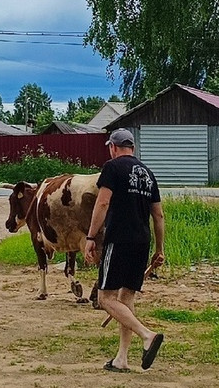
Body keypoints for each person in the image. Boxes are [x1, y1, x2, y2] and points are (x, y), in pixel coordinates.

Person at [85, 128, 166, 372]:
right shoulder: (148, 174)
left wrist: (90, 236)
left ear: (113, 147)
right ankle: (121, 359)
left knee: (105, 298)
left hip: (119, 239)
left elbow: (102, 202)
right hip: (142, 241)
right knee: (125, 298)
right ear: (133, 147)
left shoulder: (112, 167)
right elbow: (158, 214)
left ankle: (146, 335)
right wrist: (159, 248)